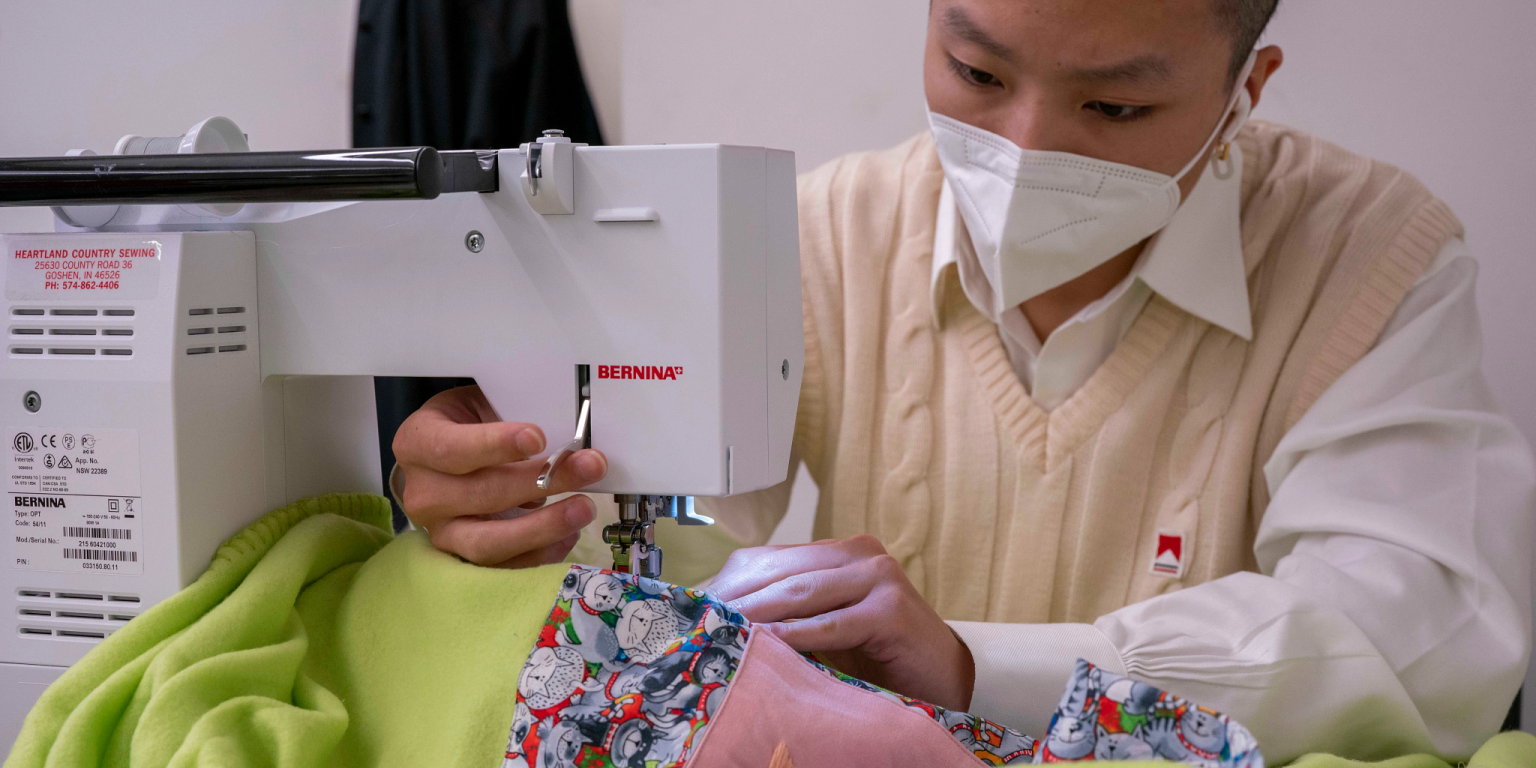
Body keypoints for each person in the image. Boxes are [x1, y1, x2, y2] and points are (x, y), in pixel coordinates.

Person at [389, 0, 1535, 762]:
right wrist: (517, 507)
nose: (1028, 144)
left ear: (1248, 86)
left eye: (1117, 106)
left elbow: (1418, 630)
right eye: (977, 71)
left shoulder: (1370, 258)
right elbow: (648, 548)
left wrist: (981, 669)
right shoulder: (820, 236)